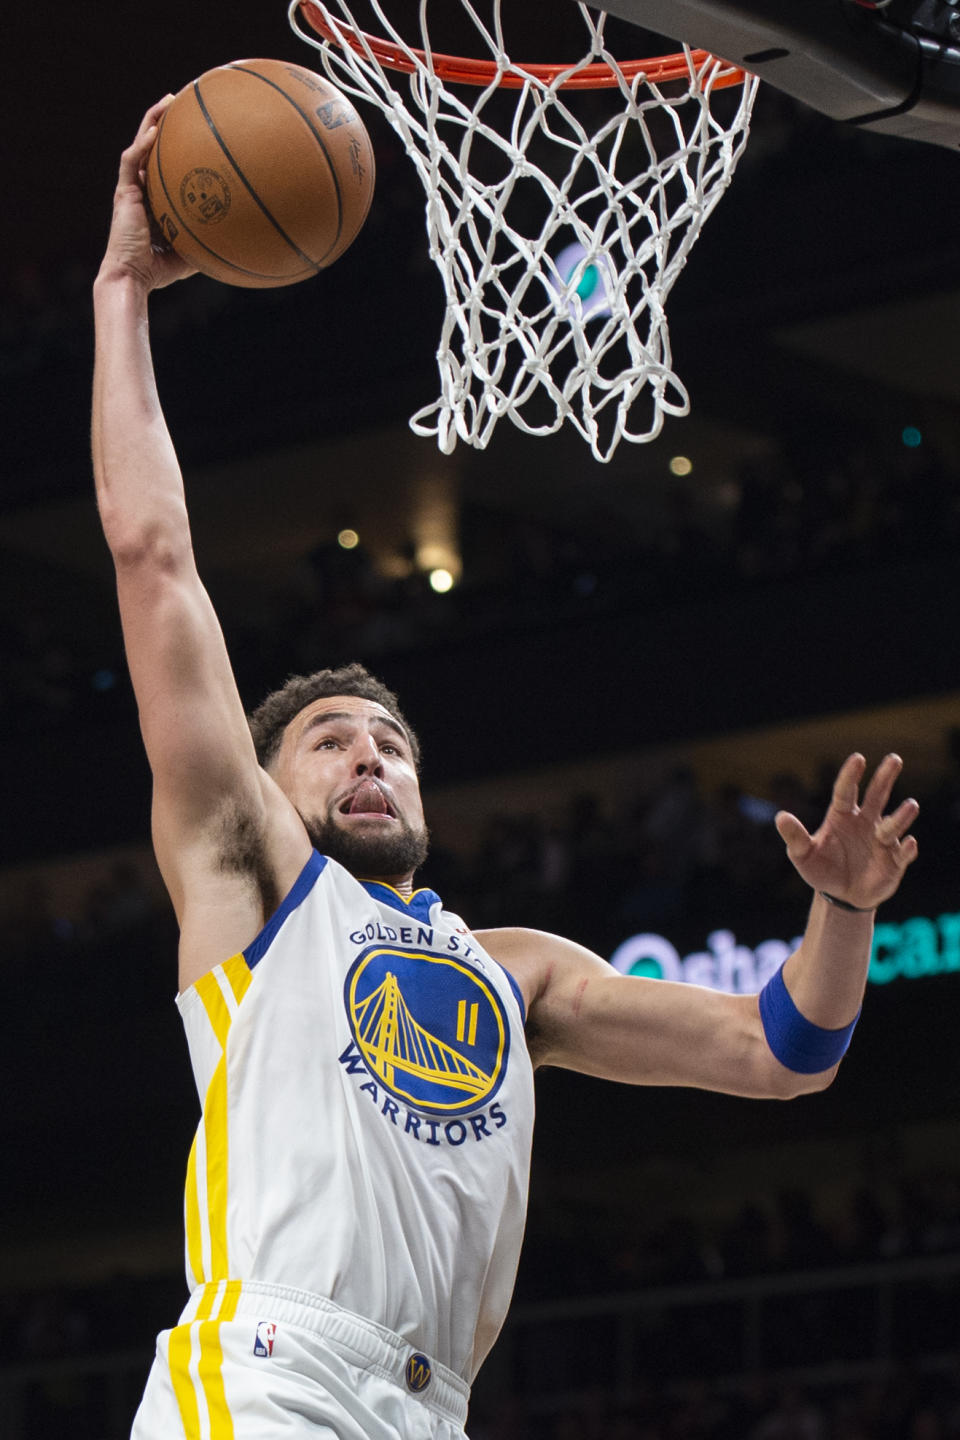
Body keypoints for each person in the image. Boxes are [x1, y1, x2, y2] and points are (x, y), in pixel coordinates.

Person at [93, 100, 920, 1440]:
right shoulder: (258, 895)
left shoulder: (515, 966)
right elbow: (151, 554)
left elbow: (784, 1055)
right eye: (331, 742)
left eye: (393, 745)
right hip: (270, 1378)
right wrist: (123, 290)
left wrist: (846, 908)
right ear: (265, 791)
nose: (371, 756)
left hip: (435, 1411)